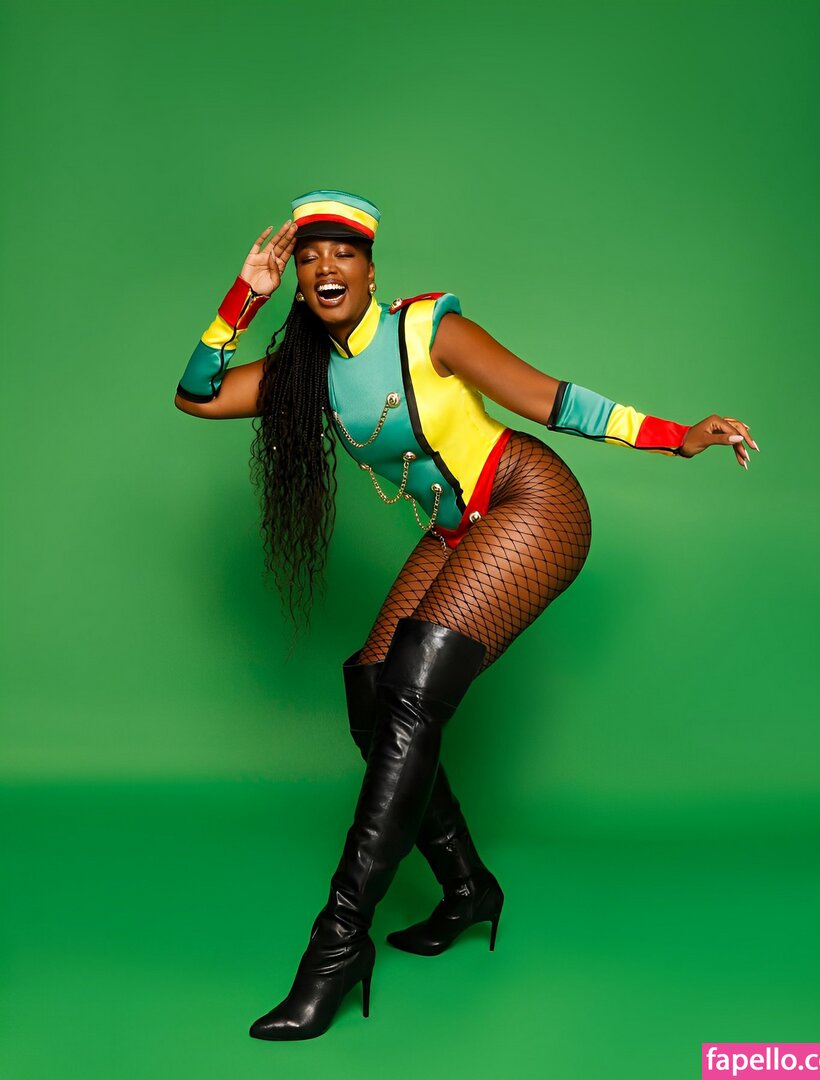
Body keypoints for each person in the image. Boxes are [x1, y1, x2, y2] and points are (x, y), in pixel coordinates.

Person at [173, 189, 758, 1041]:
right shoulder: (307, 371)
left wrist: (678, 436)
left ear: (371, 268)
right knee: (371, 691)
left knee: (411, 694)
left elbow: (551, 400)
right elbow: (196, 395)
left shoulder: (428, 329)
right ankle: (468, 889)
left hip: (530, 504)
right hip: (459, 530)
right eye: (309, 255)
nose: (326, 266)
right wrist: (241, 298)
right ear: (297, 277)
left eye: (343, 252)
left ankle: (336, 946)